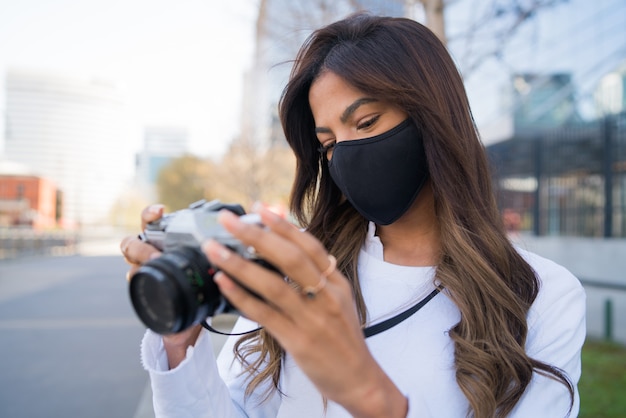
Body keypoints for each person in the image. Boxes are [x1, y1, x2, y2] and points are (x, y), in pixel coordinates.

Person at [120, 13, 586, 418]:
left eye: (365, 123)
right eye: (328, 143)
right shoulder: (298, 264)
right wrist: (180, 344)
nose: (347, 153)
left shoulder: (542, 294)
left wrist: (366, 391)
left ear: (433, 117)